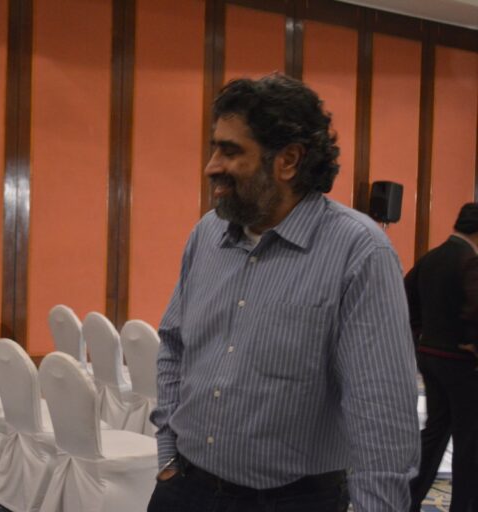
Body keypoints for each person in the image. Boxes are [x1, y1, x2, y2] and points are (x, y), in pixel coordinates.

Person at [148, 74, 420, 512]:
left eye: (231, 150)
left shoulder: (359, 251)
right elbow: (174, 346)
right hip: (186, 486)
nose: (211, 165)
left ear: (289, 160)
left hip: (292, 499)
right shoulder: (207, 233)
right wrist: (167, 455)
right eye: (215, 147)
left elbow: (382, 413)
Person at [405, 203, 478, 512]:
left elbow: (406, 298)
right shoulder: (470, 261)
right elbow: (476, 309)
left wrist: (421, 336)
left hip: (430, 357)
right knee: (469, 441)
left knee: (436, 432)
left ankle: (407, 500)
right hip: (462, 363)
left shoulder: (432, 257)